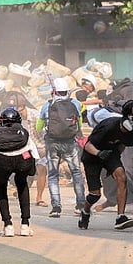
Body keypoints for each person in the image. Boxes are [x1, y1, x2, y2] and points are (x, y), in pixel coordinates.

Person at [78, 100, 133, 231]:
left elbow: (122, 145)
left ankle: (120, 217)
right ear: (125, 116)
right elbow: (88, 145)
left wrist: (114, 165)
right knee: (95, 195)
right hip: (92, 155)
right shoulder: (109, 125)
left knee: (122, 177)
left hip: (110, 154)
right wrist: (99, 154)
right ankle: (85, 212)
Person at [0, 107, 39, 237]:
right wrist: (33, 166)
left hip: (3, 161)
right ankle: (25, 225)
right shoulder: (22, 131)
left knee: (1, 187)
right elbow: (34, 151)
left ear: (1, 121)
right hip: (23, 160)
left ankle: (8, 225)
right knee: (22, 185)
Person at [39, 77, 86, 218]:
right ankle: (80, 205)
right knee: (76, 173)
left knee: (53, 174)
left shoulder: (47, 105)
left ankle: (56, 207)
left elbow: (38, 126)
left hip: (52, 143)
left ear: (54, 91)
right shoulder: (76, 104)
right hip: (70, 142)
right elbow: (79, 123)